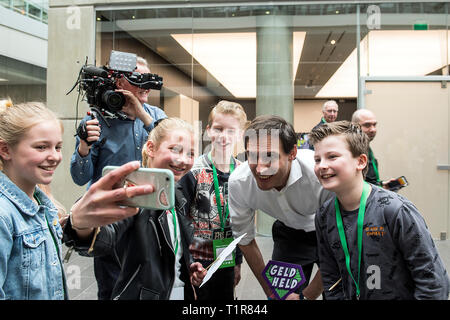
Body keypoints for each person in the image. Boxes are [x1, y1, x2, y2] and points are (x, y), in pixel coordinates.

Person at [64, 118, 207, 300]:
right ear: (151, 148)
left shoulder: (178, 193)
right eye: (175, 149)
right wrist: (82, 226)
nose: (183, 160)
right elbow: (103, 240)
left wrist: (189, 266)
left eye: (191, 153)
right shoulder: (132, 194)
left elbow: (175, 245)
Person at [309, 120, 450, 300]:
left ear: (360, 161)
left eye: (332, 157)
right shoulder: (324, 215)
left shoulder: (395, 210)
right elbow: (331, 277)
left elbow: (434, 283)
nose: (322, 165)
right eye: (317, 159)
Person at [70, 55, 167, 299]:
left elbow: (173, 150)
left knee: (152, 283)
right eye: (138, 80)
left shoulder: (156, 116)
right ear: (119, 82)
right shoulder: (97, 119)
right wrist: (83, 146)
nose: (144, 87)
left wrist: (143, 116)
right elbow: (80, 177)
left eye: (147, 80)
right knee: (111, 287)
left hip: (150, 216)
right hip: (110, 217)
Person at [228, 115, 333, 300]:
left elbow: (343, 245)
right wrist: (270, 292)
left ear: (292, 153)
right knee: (282, 296)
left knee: (338, 293)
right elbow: (245, 241)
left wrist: (307, 297)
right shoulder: (240, 181)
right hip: (290, 236)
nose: (260, 169)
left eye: (270, 157)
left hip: (328, 233)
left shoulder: (320, 172)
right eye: (252, 155)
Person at [178, 100, 247, 300]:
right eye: (218, 129)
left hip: (226, 259)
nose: (223, 136)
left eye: (231, 131)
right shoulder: (194, 171)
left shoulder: (242, 172)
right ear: (208, 131)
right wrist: (188, 263)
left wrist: (237, 261)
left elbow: (243, 223)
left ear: (240, 135)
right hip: (197, 261)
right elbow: (182, 221)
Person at [0, 100, 67, 299]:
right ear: (5, 150)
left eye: (58, 147)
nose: (54, 156)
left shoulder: (44, 205)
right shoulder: (4, 214)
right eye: (41, 147)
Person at [351, 109, 394, 188]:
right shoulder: (352, 150)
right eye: (367, 125)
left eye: (374, 125)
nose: (373, 129)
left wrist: (381, 185)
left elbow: (368, 180)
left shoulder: (366, 146)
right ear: (354, 126)